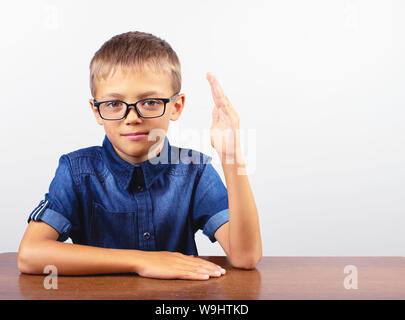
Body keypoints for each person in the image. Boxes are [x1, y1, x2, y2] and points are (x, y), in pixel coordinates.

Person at [18, 31, 262, 280]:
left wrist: (231, 156)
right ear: (97, 111)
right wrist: (143, 261)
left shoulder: (195, 170)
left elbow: (246, 257)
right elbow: (30, 254)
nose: (132, 118)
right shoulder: (76, 171)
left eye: (150, 102)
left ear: (176, 106)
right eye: (114, 104)